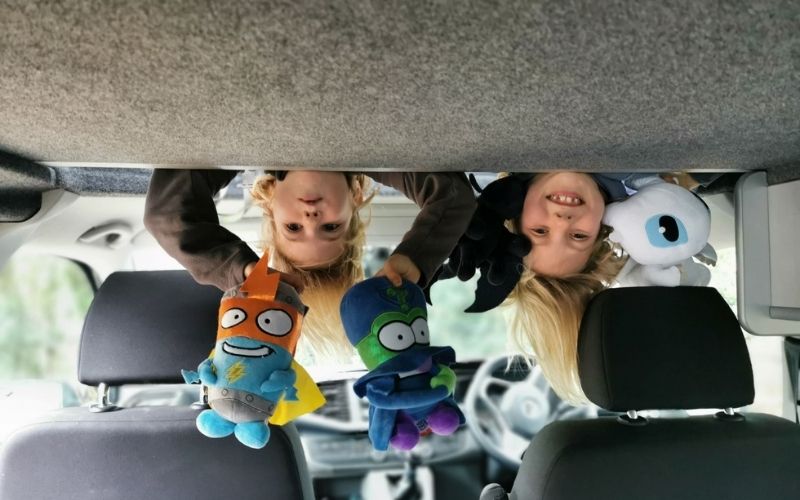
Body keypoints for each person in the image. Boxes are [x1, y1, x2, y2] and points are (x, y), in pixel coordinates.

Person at [144, 169, 476, 357]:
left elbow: (167, 216)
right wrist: (416, 257)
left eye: (293, 228)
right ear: (355, 198)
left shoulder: (245, 140)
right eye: (331, 228)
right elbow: (453, 194)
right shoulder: (377, 153)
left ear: (271, 203)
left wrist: (245, 272)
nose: (311, 217)